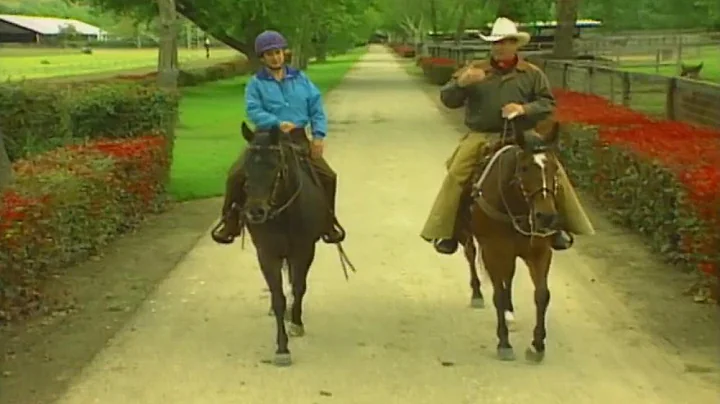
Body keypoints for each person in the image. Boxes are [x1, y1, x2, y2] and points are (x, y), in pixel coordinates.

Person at [420, 17, 595, 255]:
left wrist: (524, 109)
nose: (501, 46)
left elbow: (547, 103)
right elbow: (448, 100)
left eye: (506, 42)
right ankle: (445, 231)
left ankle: (561, 227)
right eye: (496, 42)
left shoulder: (532, 73)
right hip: (482, 136)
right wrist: (460, 84)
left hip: (524, 134)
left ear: (516, 45)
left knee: (553, 171)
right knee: (456, 174)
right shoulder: (474, 70)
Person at [211, 30, 345, 245]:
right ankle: (229, 222)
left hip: (298, 138)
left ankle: (328, 222)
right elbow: (253, 110)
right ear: (262, 58)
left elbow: (316, 109)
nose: (275, 57)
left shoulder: (301, 80)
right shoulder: (256, 84)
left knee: (328, 176)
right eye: (270, 54)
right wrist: (276, 122)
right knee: (236, 174)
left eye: (278, 52)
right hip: (266, 139)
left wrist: (318, 137)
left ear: (284, 53)